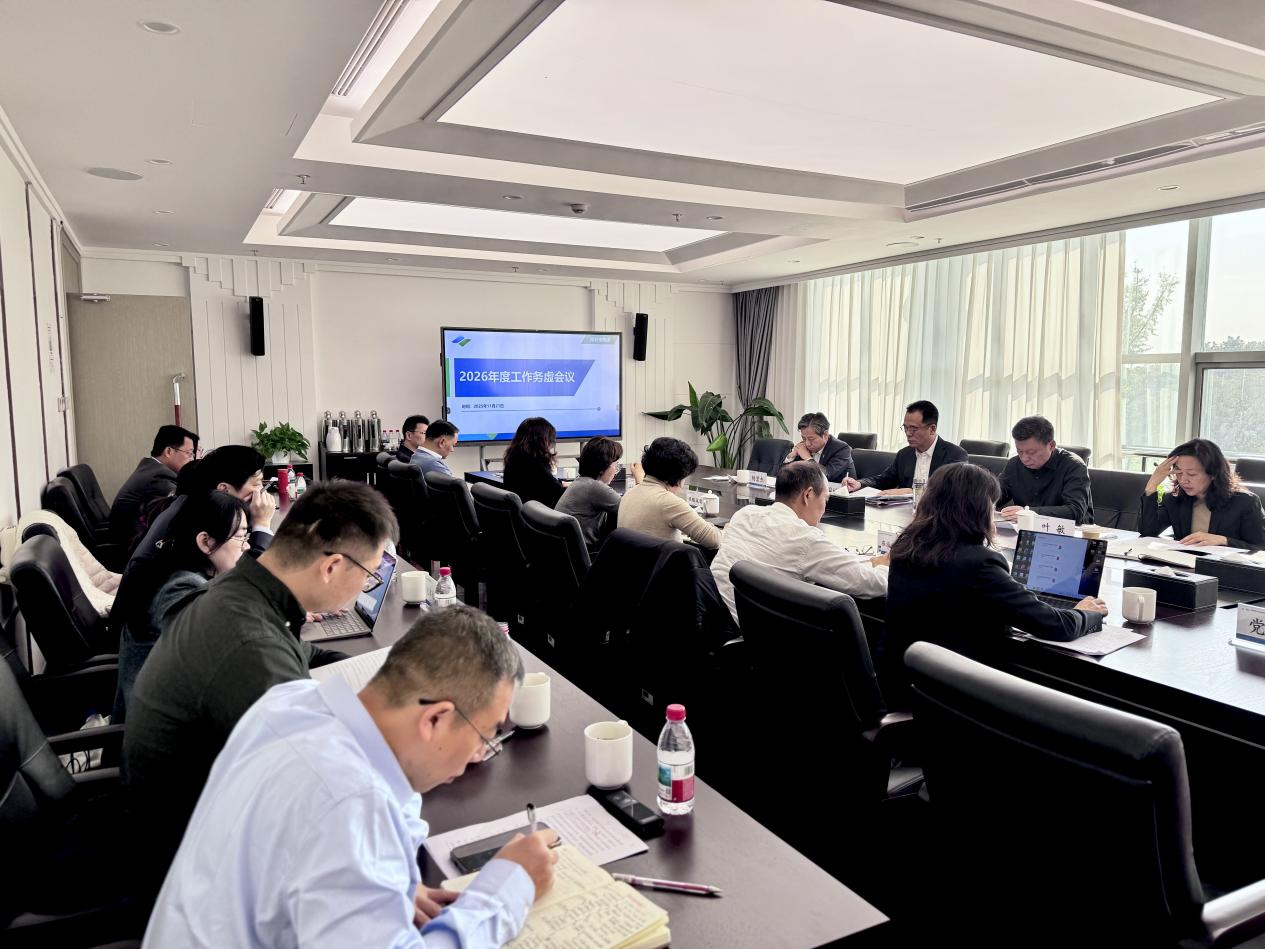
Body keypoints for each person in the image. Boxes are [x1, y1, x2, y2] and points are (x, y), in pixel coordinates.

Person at [142, 606, 560, 948]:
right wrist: (506, 890)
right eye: (484, 737)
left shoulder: (292, 701)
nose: (478, 756)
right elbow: (346, 818)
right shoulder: (350, 805)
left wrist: (381, 887)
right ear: (435, 718)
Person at [123, 480, 397, 890]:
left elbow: (302, 654)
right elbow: (312, 797)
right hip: (196, 869)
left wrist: (377, 675)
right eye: (369, 576)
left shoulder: (239, 592)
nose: (365, 587)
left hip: (200, 822)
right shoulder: (251, 646)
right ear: (332, 567)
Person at [878, 463, 1106, 707]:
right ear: (977, 510)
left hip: (905, 686)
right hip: (958, 699)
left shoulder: (906, 548)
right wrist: (1086, 613)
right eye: (991, 506)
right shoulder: (980, 564)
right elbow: (1055, 625)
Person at [109, 446, 277, 662]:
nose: (262, 493)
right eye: (257, 484)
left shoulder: (190, 509)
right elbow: (247, 599)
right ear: (224, 489)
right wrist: (262, 524)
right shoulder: (184, 581)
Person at [113, 491, 250, 722]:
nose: (246, 547)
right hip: (158, 730)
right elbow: (225, 656)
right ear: (205, 542)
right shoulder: (182, 589)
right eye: (240, 537)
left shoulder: (179, 571)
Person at [711, 461, 888, 624]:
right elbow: (871, 583)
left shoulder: (745, 514)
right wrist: (888, 565)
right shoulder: (805, 539)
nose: (824, 509)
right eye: (825, 499)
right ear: (808, 495)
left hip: (713, 615)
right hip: (753, 632)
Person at [1140, 438, 1265, 550]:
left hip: (1225, 567)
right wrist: (1152, 485)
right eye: (1179, 472)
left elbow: (1260, 548)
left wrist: (1223, 540)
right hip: (1184, 565)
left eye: (1192, 474)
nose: (1183, 480)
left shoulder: (1246, 502)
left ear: (1213, 473)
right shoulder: (1173, 499)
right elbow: (1148, 532)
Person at [845, 400, 968, 495]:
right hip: (903, 512)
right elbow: (884, 480)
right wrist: (859, 483)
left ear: (932, 429)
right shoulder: (905, 454)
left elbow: (951, 491)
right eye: (905, 428)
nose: (908, 433)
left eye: (913, 429)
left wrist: (912, 492)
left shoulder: (955, 454)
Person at [618, 437, 720, 549]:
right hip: (665, 560)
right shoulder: (669, 502)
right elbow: (713, 540)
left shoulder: (629, 494)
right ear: (678, 476)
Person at [110, 425, 199, 544]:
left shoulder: (151, 467)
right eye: (189, 453)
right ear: (169, 451)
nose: (192, 459)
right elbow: (184, 504)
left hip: (131, 536)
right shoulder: (159, 476)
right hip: (130, 544)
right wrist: (197, 471)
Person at [996, 415, 1093, 524]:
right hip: (1024, 529)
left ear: (1051, 445)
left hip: (1071, 531)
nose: (1024, 458)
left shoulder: (1074, 466)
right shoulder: (1014, 464)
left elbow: (1075, 511)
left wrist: (1028, 513)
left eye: (1031, 452)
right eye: (1020, 451)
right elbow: (996, 495)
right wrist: (985, 501)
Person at [556, 436, 643, 546]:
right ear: (602, 468)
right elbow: (635, 510)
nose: (616, 471)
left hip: (567, 549)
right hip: (587, 551)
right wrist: (639, 478)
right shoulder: (595, 488)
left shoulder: (580, 481)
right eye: (616, 466)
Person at [502, 417, 564, 508]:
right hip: (539, 513)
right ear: (541, 441)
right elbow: (557, 491)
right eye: (550, 440)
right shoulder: (535, 464)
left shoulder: (514, 458)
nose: (551, 445)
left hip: (527, 512)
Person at [783, 412, 856, 482]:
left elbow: (826, 475)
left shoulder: (842, 449)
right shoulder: (804, 447)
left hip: (839, 490)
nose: (807, 444)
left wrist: (808, 458)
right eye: (804, 438)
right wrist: (791, 456)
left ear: (825, 435)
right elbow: (784, 476)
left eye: (811, 439)